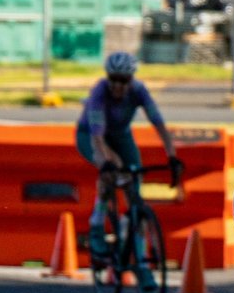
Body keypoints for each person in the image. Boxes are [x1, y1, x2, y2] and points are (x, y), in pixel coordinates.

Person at [74, 52, 178, 265]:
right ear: (107, 77)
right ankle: (96, 224)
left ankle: (136, 250)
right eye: (114, 79)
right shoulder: (99, 93)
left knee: (134, 181)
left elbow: (159, 124)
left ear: (132, 79)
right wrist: (109, 163)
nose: (118, 85)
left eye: (124, 80)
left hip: (121, 135)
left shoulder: (139, 91)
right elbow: (98, 137)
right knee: (112, 170)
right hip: (92, 135)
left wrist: (172, 156)